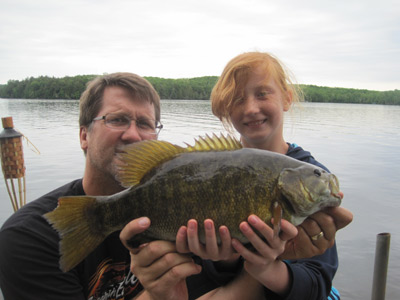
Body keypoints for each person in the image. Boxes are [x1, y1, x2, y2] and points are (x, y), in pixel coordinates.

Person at [0, 72, 255, 300]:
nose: (133, 134)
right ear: (84, 136)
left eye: (145, 124)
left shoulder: (186, 208)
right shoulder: (28, 239)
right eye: (117, 119)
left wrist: (229, 260)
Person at [192, 51, 352, 299]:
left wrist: (267, 268)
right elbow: (204, 278)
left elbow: (317, 282)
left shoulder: (310, 179)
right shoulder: (209, 171)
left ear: (287, 98)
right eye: (237, 99)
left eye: (262, 94)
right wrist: (226, 259)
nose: (251, 108)